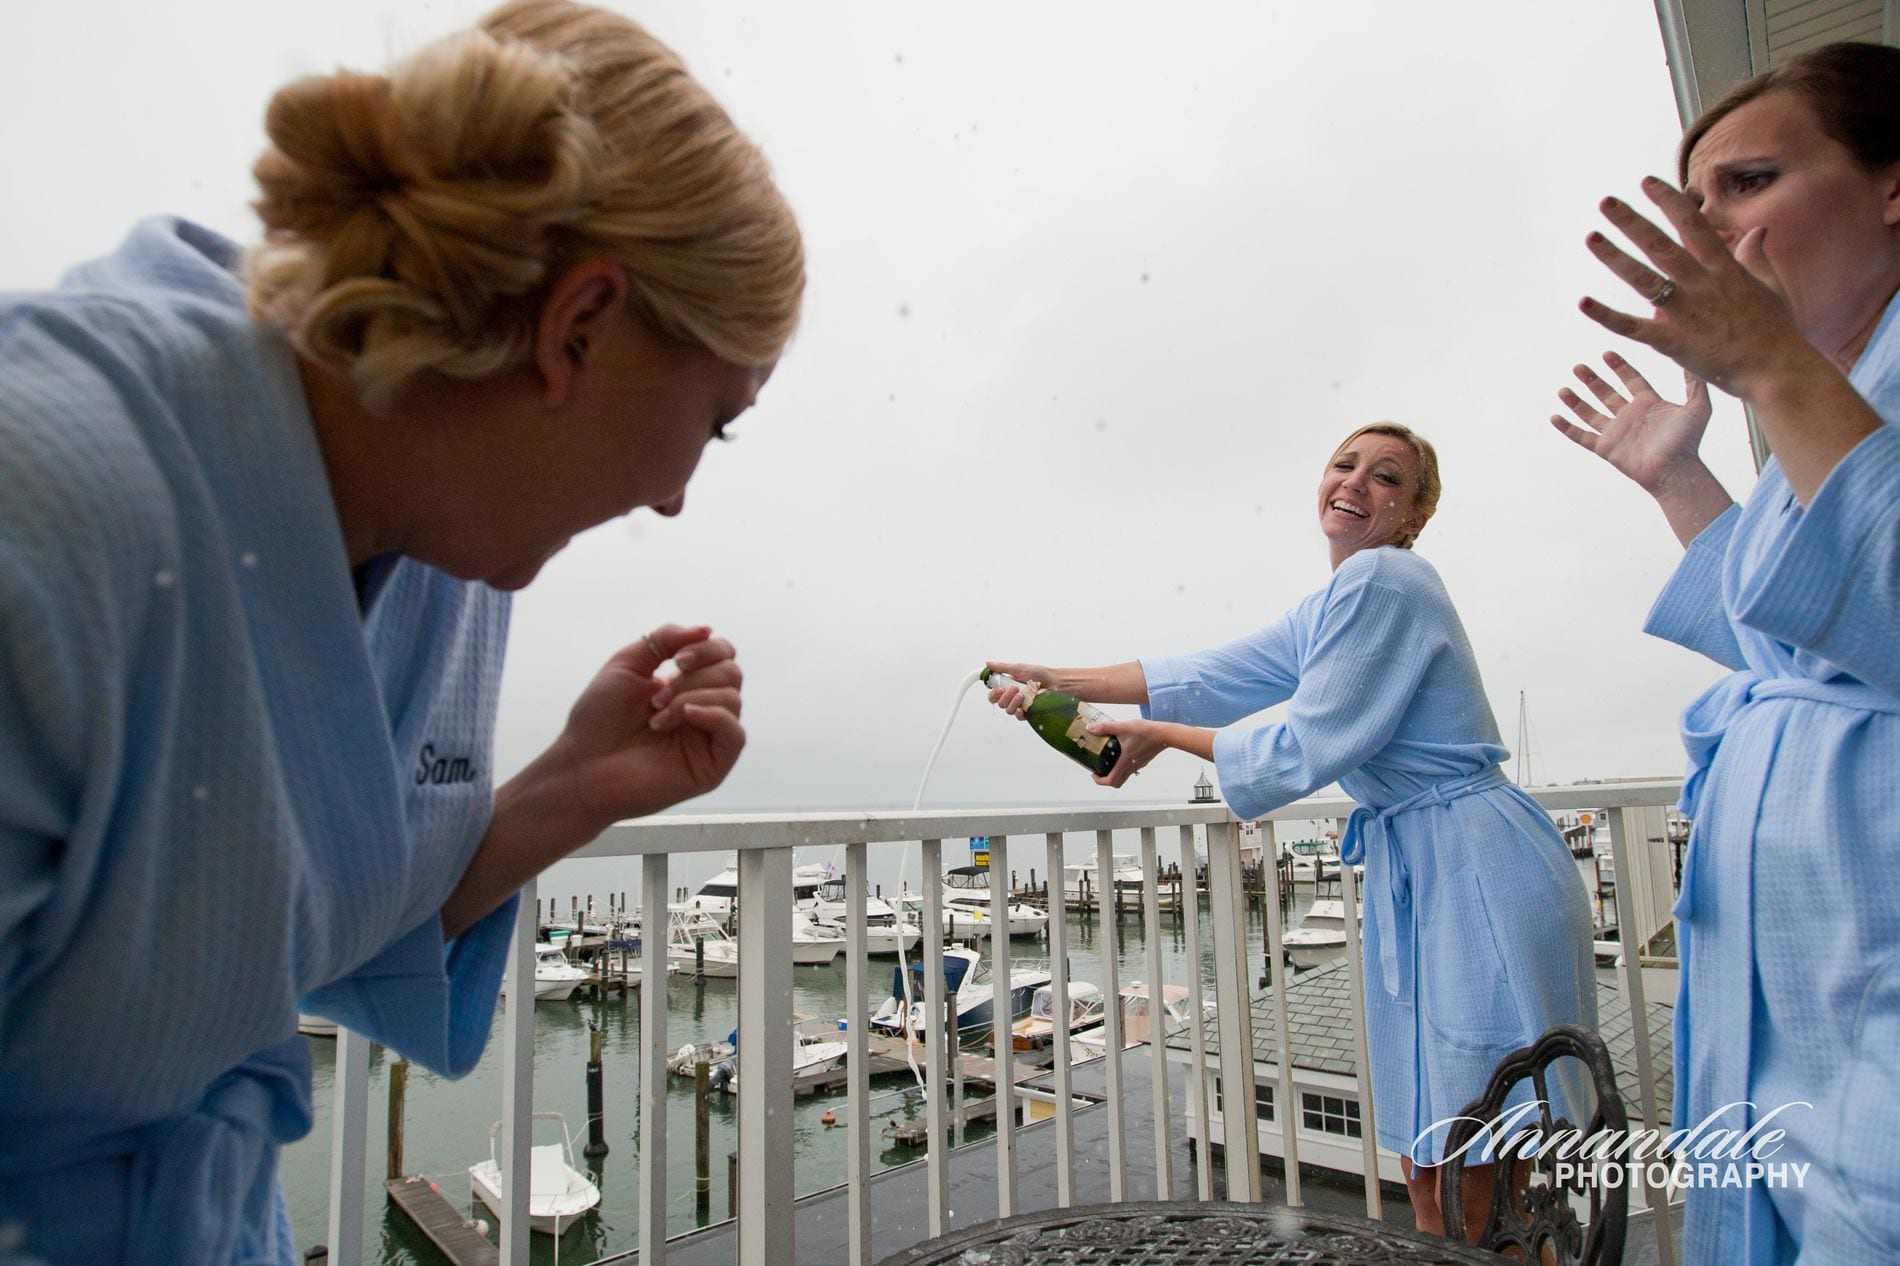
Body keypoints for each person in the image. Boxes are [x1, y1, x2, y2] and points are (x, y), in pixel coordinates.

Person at [0, 3, 803, 1262]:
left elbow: (276, 933)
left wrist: (567, 791)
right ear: (577, 326)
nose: (674, 495)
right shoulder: (45, 501)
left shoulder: (448, 548)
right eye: (719, 418)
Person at [987, 423, 1596, 1239]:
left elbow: (1302, 745)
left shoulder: (1387, 580)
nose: (1355, 483)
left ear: (1415, 516)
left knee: (1479, 1158)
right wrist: (1053, 676)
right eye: (1345, 465)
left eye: (1386, 479)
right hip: (1435, 867)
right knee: (1439, 1158)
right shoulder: (1339, 601)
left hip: (1476, 868)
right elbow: (1207, 675)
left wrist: (1158, 736)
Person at [1549, 40, 1899, 1265]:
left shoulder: (1825, 392)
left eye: (1747, 185)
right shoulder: (1848, 401)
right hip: (1818, 1007)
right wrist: (1681, 477)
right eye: (1690, 207)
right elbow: (1809, 635)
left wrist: (1764, 363)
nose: (1708, 236)